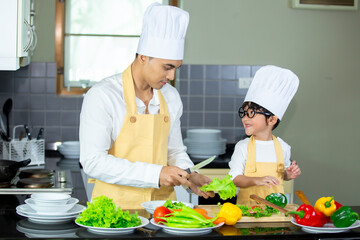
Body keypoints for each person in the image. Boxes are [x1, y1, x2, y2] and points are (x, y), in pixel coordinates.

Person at [79, 3, 214, 209]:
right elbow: (93, 161)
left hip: (162, 211)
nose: (171, 76)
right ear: (143, 57)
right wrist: (156, 174)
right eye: (167, 68)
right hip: (115, 212)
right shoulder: (103, 95)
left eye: (176, 68)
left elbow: (175, 151)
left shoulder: (171, 97)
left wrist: (189, 175)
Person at [228, 65, 301, 205]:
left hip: (276, 212)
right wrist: (256, 180)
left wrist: (288, 174)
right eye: (244, 113)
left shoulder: (283, 147)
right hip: (247, 213)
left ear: (272, 119)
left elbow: (281, 176)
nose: (245, 118)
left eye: (252, 114)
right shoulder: (243, 147)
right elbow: (234, 178)